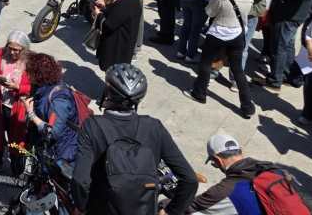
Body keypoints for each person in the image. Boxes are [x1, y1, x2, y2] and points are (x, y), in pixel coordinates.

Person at [72, 63, 198, 215]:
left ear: (108, 93)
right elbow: (190, 180)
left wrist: (82, 207)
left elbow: (80, 180)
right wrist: (170, 211)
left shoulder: (92, 126)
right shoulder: (154, 127)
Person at [188, 133, 286, 214]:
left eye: (214, 164)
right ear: (241, 152)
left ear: (218, 161)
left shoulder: (224, 190)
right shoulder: (274, 170)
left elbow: (185, 208)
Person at [21, 53, 79, 178]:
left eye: (29, 72)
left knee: (53, 185)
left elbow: (52, 132)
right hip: (45, 147)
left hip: (61, 154)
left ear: (38, 75)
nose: (26, 75)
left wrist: (31, 114)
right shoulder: (41, 87)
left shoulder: (59, 100)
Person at [0, 31, 31, 174]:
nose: (12, 52)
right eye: (10, 48)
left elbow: (35, 88)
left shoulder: (31, 63)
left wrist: (18, 87)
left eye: (16, 50)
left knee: (17, 141)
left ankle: (17, 172)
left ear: (24, 49)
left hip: (17, 109)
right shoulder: (0, 54)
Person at [93, 0, 142, 71]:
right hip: (125, 46)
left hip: (116, 49)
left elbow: (108, 25)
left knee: (113, 74)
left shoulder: (124, 3)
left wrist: (98, 14)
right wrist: (105, 7)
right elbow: (118, 16)